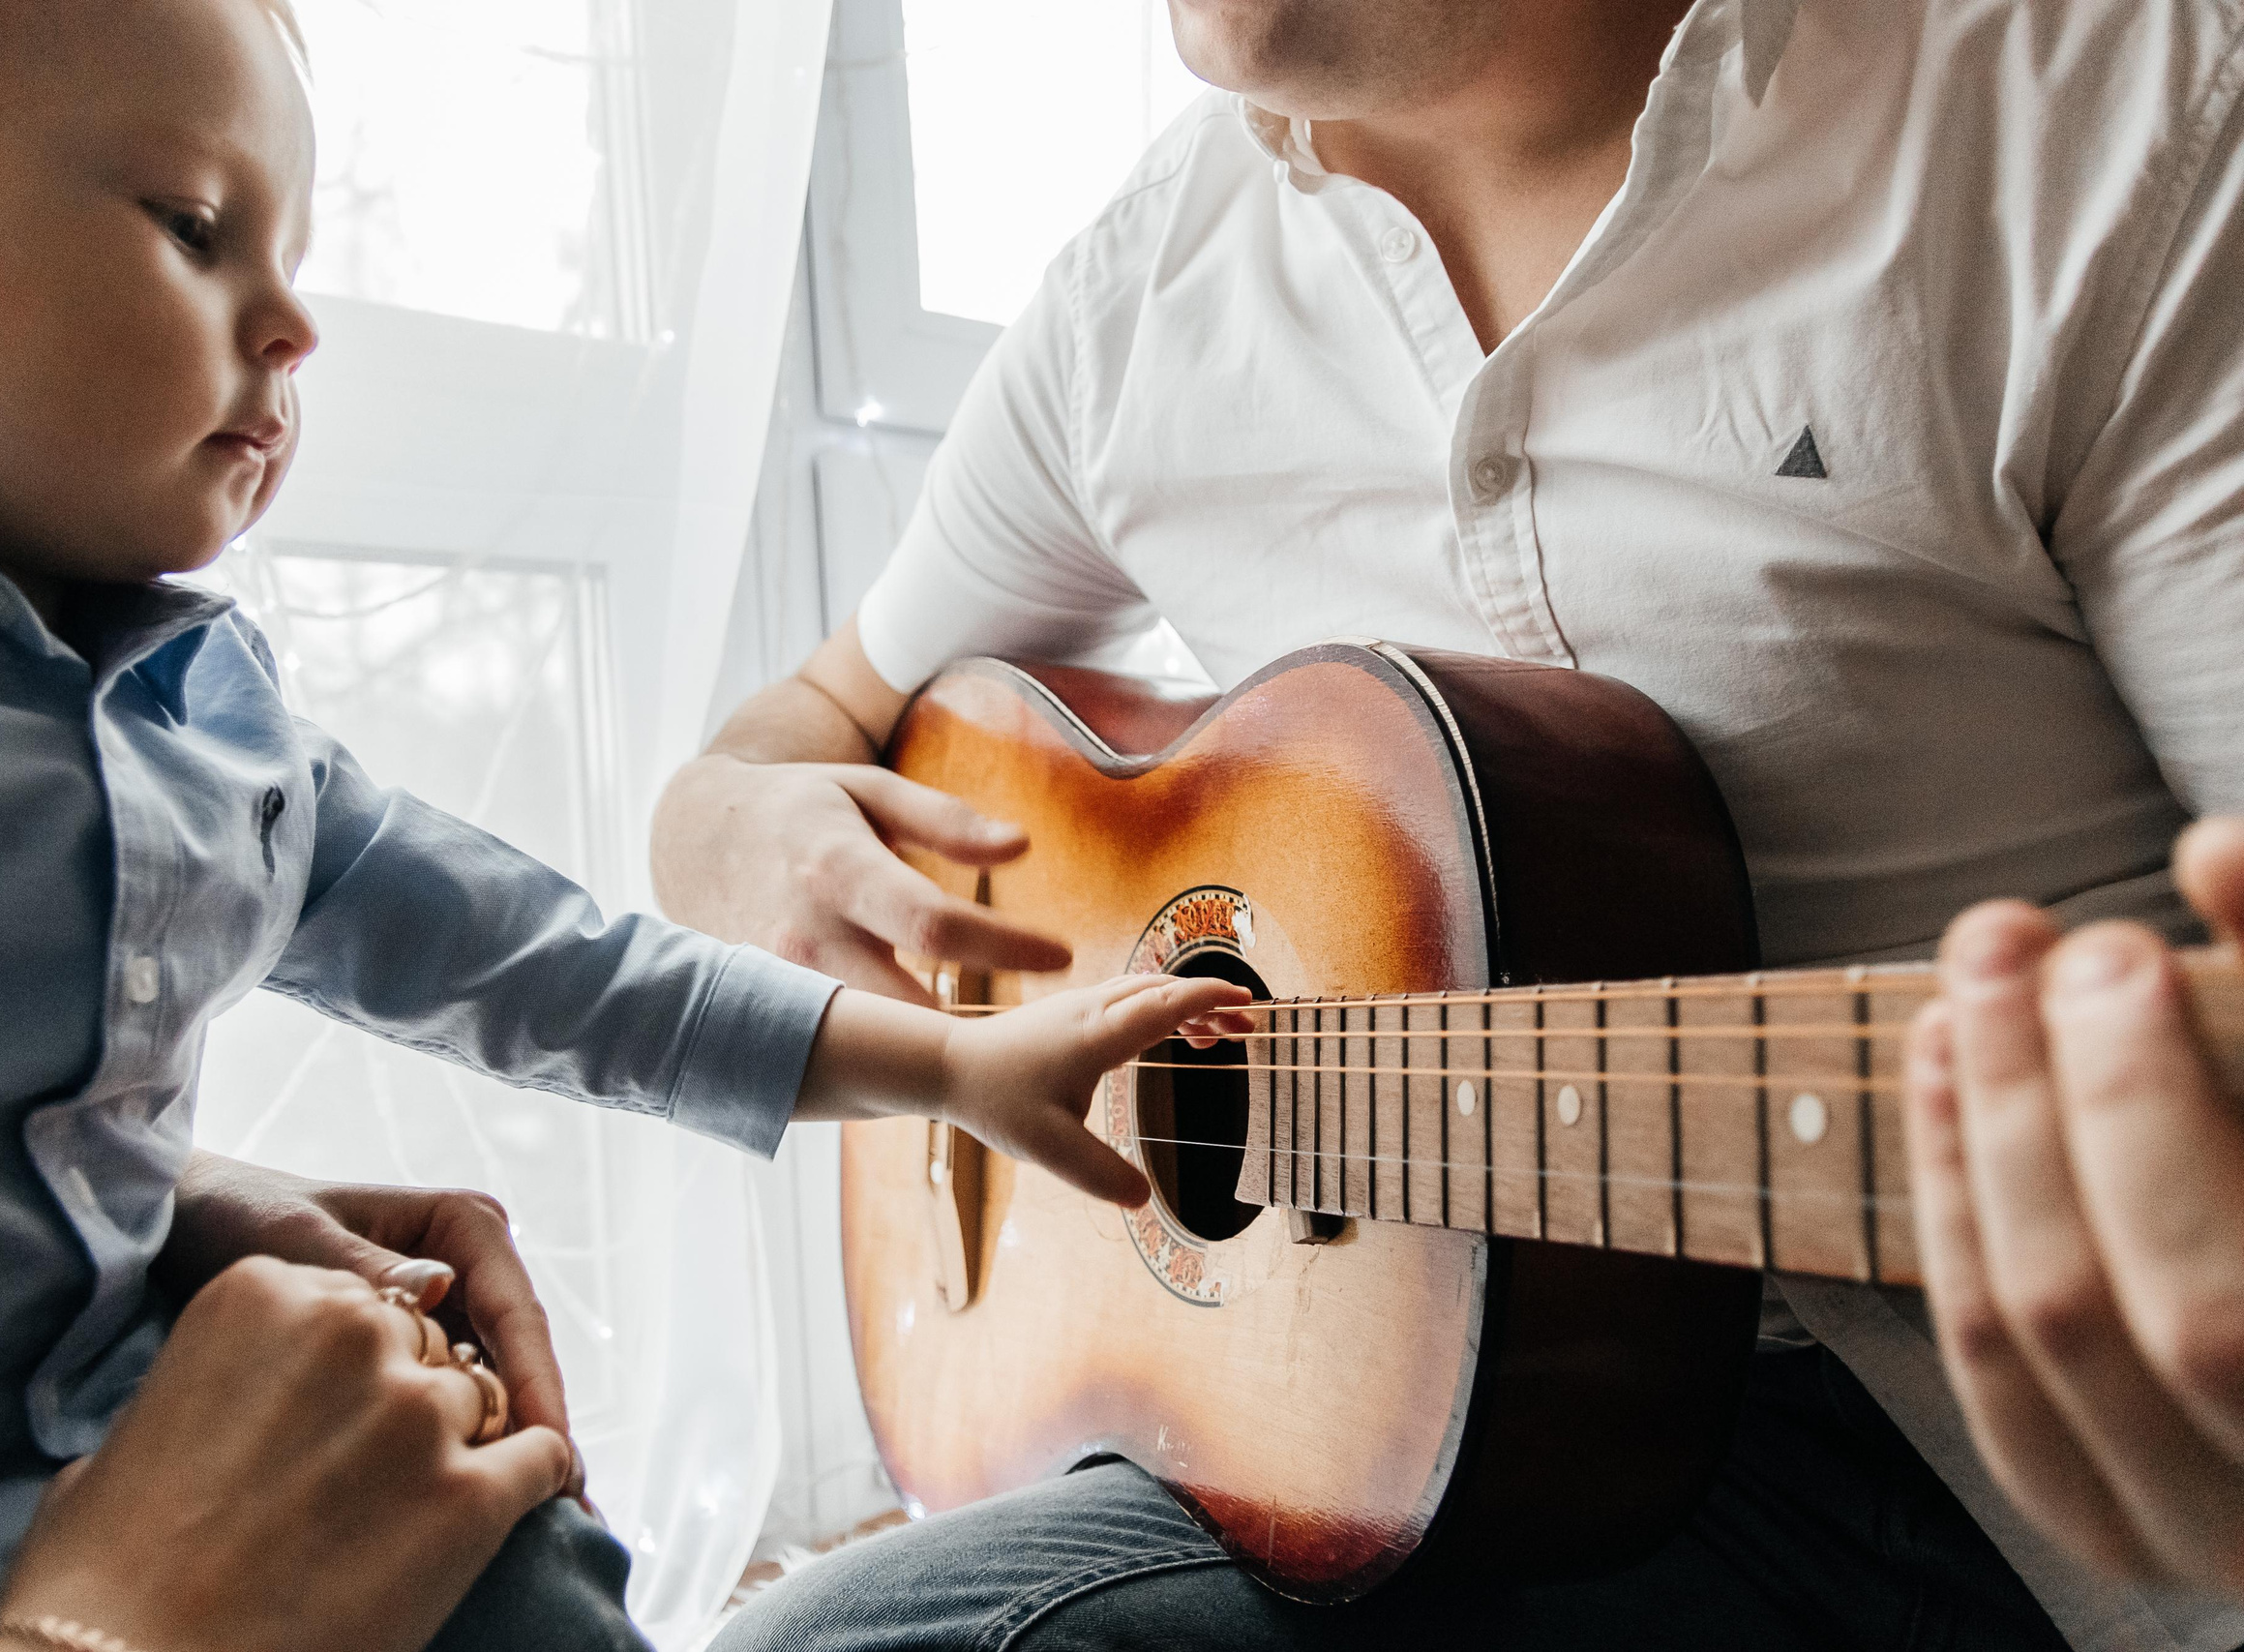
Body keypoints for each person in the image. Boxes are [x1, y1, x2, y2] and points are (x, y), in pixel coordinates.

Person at [660, 0, 2244, 1647]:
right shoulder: (1131, 301)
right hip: (1401, 1416)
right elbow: (801, 730)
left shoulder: (2123, 118)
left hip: (2022, 1472)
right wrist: (728, 835)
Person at [0, 1, 1254, 1648]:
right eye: (195, 227)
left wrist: (959, 1069)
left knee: (531, 1548)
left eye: (296, 254)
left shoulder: (219, 719)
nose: (293, 328)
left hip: (153, 1439)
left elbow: (550, 965)